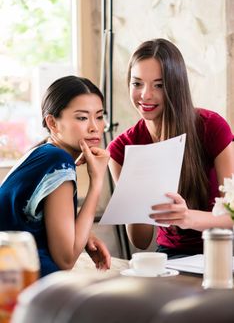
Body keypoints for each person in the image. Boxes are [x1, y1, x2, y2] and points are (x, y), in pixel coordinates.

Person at [108, 38, 234, 258]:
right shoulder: (122, 149)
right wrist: (135, 191)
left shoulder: (211, 127)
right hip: (174, 255)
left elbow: (232, 216)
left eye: (159, 85)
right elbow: (140, 240)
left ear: (175, 86)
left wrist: (187, 218)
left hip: (224, 247)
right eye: (137, 83)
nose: (145, 95)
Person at [0, 75, 111, 276]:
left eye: (100, 116)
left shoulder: (41, 153)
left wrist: (83, 233)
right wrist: (97, 181)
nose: (95, 127)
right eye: (82, 117)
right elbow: (66, 260)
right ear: (52, 122)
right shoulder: (58, 161)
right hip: (19, 288)